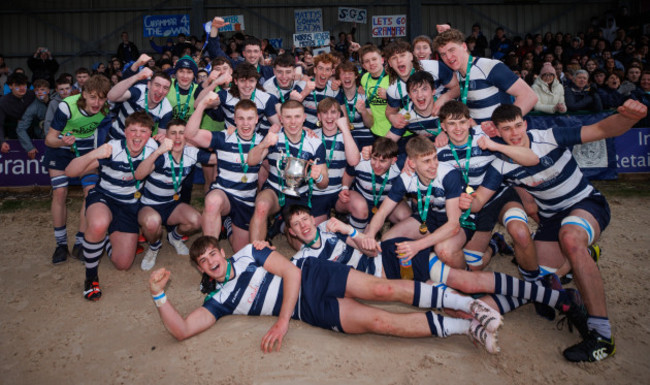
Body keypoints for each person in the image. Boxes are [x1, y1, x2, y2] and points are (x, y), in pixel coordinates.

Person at [460, 100, 647, 362]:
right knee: (539, 285)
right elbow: (479, 197)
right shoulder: (501, 164)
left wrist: (628, 118)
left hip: (585, 204)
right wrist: (469, 199)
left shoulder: (549, 136)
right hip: (551, 220)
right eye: (506, 129)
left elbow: (602, 130)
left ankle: (602, 336)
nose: (514, 134)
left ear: (525, 123)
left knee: (570, 239)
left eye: (517, 126)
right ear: (498, 131)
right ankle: (576, 263)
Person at [147, 235, 503, 354]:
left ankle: (466, 304)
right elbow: (181, 330)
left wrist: (282, 323)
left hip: (313, 278)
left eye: (212, 253)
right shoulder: (219, 301)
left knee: (382, 289)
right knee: (381, 322)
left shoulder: (248, 253)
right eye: (203, 260)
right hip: (311, 310)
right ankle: (464, 328)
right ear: (199, 268)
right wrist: (160, 297)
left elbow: (290, 271)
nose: (210, 261)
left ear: (221, 252)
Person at [66, 111, 159, 301]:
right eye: (133, 130)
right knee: (99, 223)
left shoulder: (152, 149)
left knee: (123, 264)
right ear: (125, 132)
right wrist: (94, 153)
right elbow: (70, 171)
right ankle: (91, 278)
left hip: (129, 204)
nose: (138, 135)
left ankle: (103, 241)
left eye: (143, 131)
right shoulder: (112, 148)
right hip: (104, 197)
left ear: (150, 133)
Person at [44, 75, 112, 264]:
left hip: (85, 147)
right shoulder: (67, 106)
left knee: (90, 193)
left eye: (101, 98)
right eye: (92, 97)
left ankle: (81, 241)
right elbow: (49, 139)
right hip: (61, 146)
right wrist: (61, 142)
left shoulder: (106, 109)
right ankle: (61, 244)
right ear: (83, 94)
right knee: (59, 192)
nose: (97, 102)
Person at [134, 119, 215, 270]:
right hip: (149, 205)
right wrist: (158, 151)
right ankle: (154, 246)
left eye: (182, 133)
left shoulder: (192, 152)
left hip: (171, 205)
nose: (177, 138)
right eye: (173, 133)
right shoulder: (160, 153)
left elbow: (218, 159)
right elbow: (138, 175)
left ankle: (174, 237)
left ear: (188, 136)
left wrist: (229, 138)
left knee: (197, 220)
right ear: (166, 137)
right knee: (152, 223)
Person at [186, 97, 262, 252]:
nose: (245, 123)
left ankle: (227, 224)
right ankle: (209, 253)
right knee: (213, 201)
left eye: (249, 118)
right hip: (224, 193)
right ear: (234, 119)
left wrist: (308, 130)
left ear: (256, 120)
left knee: (240, 251)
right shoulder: (223, 137)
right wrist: (202, 105)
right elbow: (190, 134)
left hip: (246, 201)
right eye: (240, 118)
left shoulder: (263, 142)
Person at [246, 100, 328, 245]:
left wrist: (318, 175)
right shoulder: (274, 136)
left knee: (303, 245)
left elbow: (324, 183)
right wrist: (265, 143)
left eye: (297, 116)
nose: (293, 122)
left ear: (304, 118)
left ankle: (283, 225)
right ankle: (255, 255)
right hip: (275, 190)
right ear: (281, 119)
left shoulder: (315, 142)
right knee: (261, 206)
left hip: (300, 194)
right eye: (288, 117)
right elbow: (251, 161)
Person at [434, 29, 538, 123]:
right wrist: (445, 96)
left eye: (452, 50)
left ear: (464, 47)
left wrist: (502, 124)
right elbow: (462, 89)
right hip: (477, 138)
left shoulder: (489, 67)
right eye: (443, 54)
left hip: (498, 138)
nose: (448, 57)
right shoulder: (458, 74)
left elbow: (529, 97)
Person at [337, 137, 410, 232]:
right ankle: (354, 230)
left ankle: (390, 238)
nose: (377, 165)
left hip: (385, 203)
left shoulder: (401, 165)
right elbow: (348, 174)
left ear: (393, 160)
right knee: (361, 208)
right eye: (374, 159)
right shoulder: (361, 160)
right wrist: (345, 188)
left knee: (406, 216)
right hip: (362, 199)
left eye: (382, 161)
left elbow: (418, 150)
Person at [384, 41, 458, 132]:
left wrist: (444, 98)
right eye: (394, 58)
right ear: (390, 64)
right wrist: (392, 118)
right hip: (422, 131)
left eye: (402, 55)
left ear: (411, 56)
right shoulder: (393, 89)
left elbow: (458, 88)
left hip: (449, 123)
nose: (399, 60)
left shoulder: (434, 67)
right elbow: (390, 112)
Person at [311, 98, 360, 224]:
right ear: (319, 116)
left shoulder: (347, 136)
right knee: (315, 227)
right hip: (316, 192)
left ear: (339, 115)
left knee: (360, 207)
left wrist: (345, 129)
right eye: (324, 113)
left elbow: (354, 161)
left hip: (339, 191)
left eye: (333, 112)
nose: (329, 117)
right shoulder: (311, 136)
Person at [106, 68, 174, 140]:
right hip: (116, 137)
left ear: (168, 91)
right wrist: (137, 77)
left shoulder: (167, 109)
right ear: (149, 85)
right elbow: (111, 97)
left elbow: (160, 137)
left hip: (139, 144)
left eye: (165, 88)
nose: (160, 91)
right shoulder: (138, 92)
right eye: (157, 85)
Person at [335, 60, 374, 149]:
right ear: (339, 78)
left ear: (356, 76)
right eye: (343, 74)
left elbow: (370, 124)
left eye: (350, 73)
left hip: (366, 140)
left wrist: (364, 111)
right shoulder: (336, 97)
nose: (347, 76)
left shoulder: (364, 95)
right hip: (345, 139)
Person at [0, 72, 36, 154]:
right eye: (17, 85)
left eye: (24, 84)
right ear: (10, 86)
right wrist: (1, 142)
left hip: (35, 137)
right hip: (13, 138)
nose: (22, 88)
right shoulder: (3, 102)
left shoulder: (32, 95)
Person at [359, 45, 390, 136]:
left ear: (382, 60)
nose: (371, 63)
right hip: (376, 131)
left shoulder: (393, 77)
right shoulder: (364, 78)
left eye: (374, 59)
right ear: (364, 66)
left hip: (397, 131)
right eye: (367, 61)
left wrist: (389, 96)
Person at [16, 79, 50, 159]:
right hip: (42, 139)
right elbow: (20, 129)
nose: (40, 92)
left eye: (42, 89)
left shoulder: (57, 101)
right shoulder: (32, 107)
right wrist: (29, 147)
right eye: (37, 90)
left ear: (48, 91)